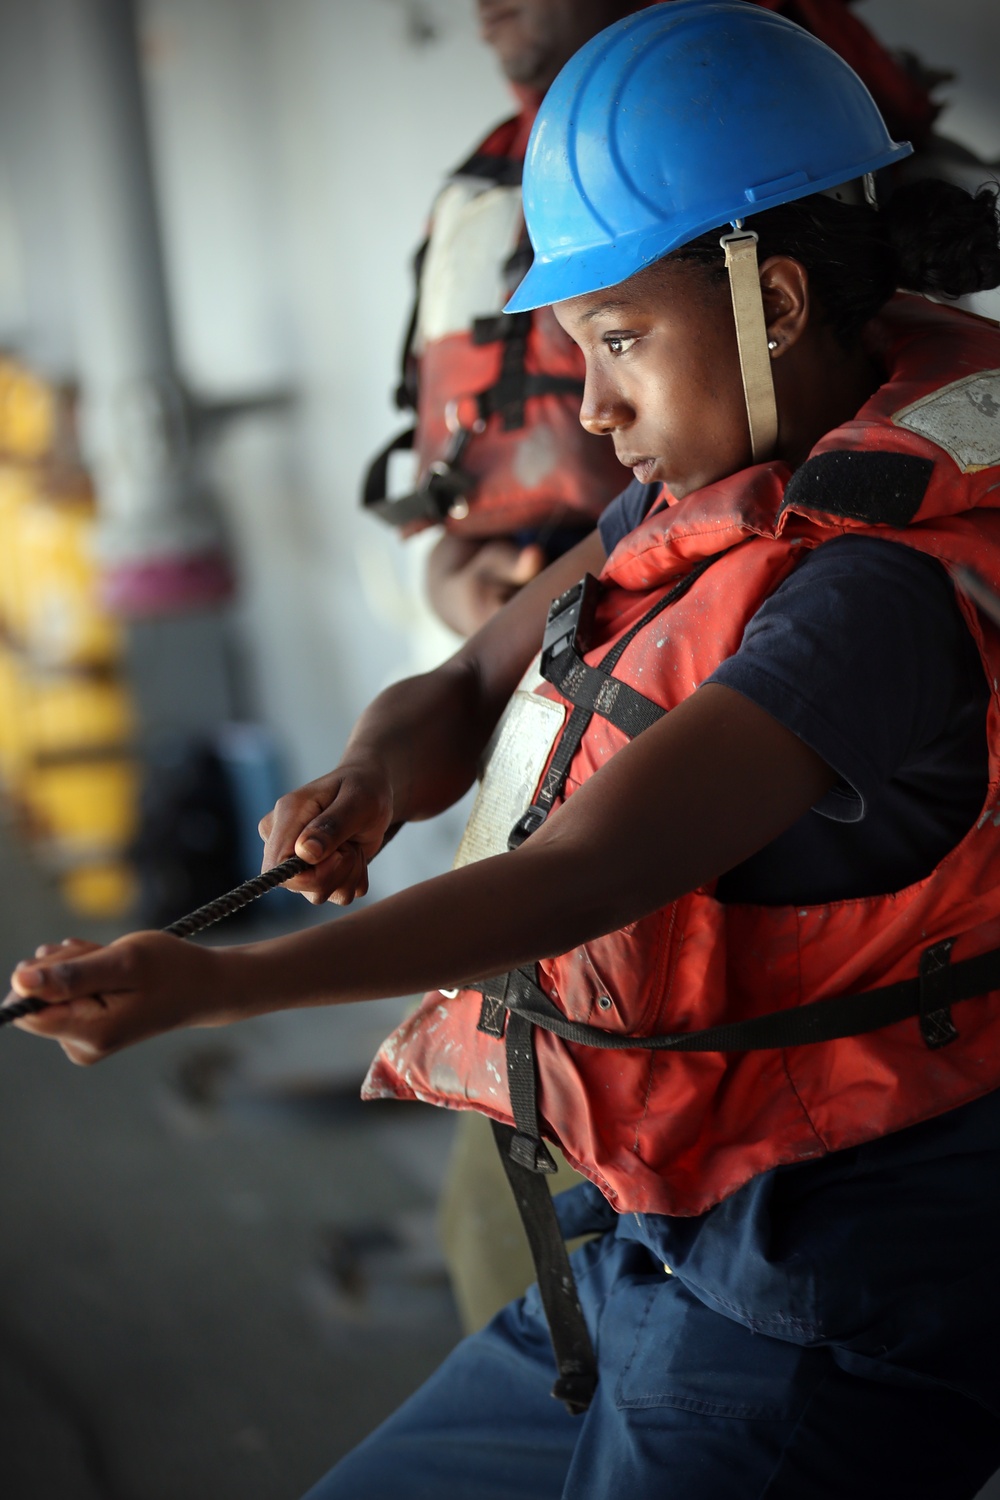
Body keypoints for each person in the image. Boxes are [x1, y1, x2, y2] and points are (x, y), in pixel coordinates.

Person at [10, 4, 1000, 1495]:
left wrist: (221, 984)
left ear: (778, 301)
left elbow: (583, 876)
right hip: (654, 1227)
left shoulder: (877, 597)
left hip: (815, 1295)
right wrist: (369, 773)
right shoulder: (734, 480)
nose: (593, 410)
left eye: (619, 343)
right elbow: (470, 678)